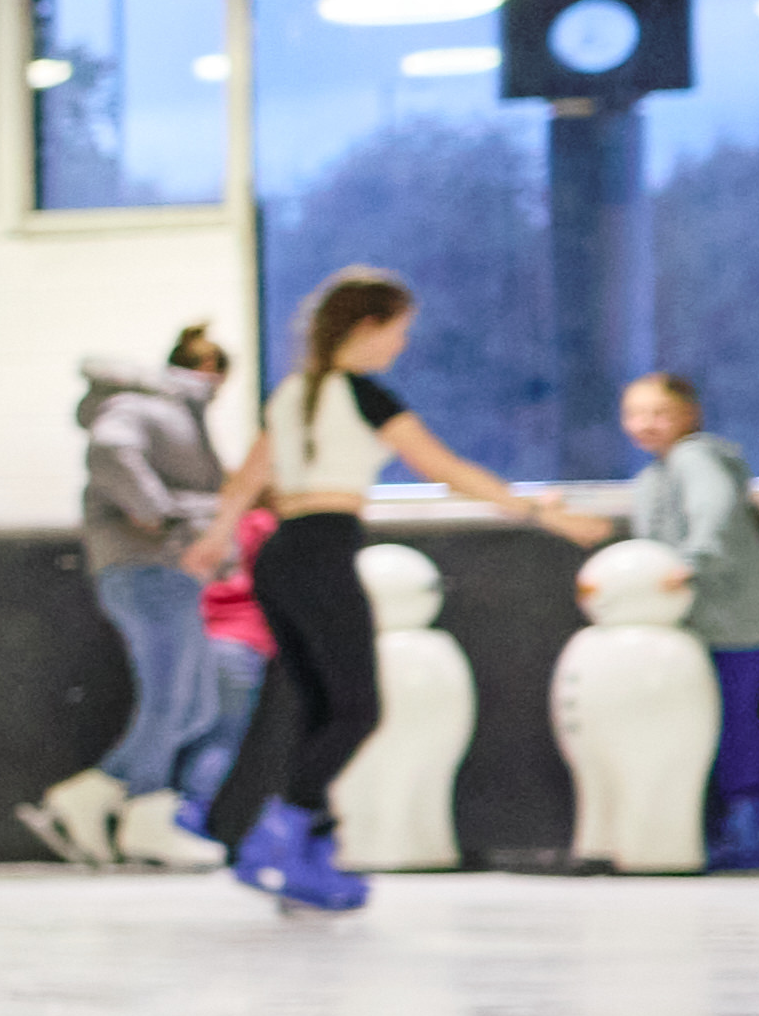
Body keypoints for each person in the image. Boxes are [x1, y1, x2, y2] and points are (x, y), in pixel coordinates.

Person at [194, 268, 537, 916]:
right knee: (357, 710)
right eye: (399, 332)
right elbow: (442, 469)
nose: (401, 347)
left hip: (278, 556)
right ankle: (280, 835)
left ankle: (310, 850)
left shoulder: (292, 393)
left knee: (322, 710)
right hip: (321, 551)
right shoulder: (362, 395)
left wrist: (216, 539)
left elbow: (244, 482)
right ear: (368, 328)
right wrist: (536, 512)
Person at [33, 326, 245, 869]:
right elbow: (110, 451)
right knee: (172, 701)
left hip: (171, 572)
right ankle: (144, 817)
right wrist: (159, 513)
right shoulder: (141, 406)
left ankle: (92, 796)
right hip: (144, 569)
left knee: (195, 707)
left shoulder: (178, 415)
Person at [608, 369, 759, 867]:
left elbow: (712, 512)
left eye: (659, 412)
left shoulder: (697, 459)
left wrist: (690, 562)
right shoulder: (653, 478)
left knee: (734, 718)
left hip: (735, 620)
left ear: (688, 415)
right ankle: (736, 828)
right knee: (715, 721)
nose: (645, 423)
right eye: (634, 413)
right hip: (697, 625)